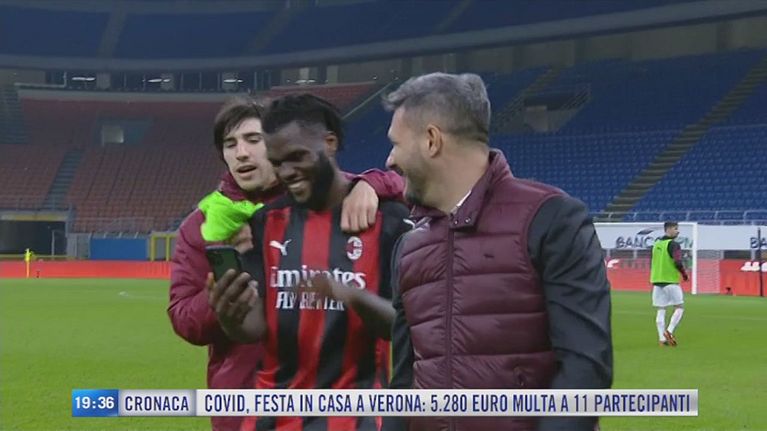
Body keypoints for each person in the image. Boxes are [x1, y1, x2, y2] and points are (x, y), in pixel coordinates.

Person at [382, 72, 613, 431]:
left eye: (396, 144)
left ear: (431, 140)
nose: (390, 160)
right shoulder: (409, 246)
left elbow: (585, 369)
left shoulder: (551, 219)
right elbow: (404, 385)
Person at [168, 97, 404, 431]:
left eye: (253, 140)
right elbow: (187, 318)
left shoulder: (354, 204)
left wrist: (374, 182)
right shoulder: (208, 225)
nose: (242, 153)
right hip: (245, 404)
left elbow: (403, 188)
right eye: (230, 144)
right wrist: (223, 302)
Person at [650, 221, 688, 347]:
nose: (678, 231)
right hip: (670, 280)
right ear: (668, 229)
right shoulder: (673, 244)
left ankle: (661, 339)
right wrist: (684, 274)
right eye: (675, 229)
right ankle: (669, 331)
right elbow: (677, 261)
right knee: (679, 307)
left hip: (657, 280)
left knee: (661, 309)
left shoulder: (656, 244)